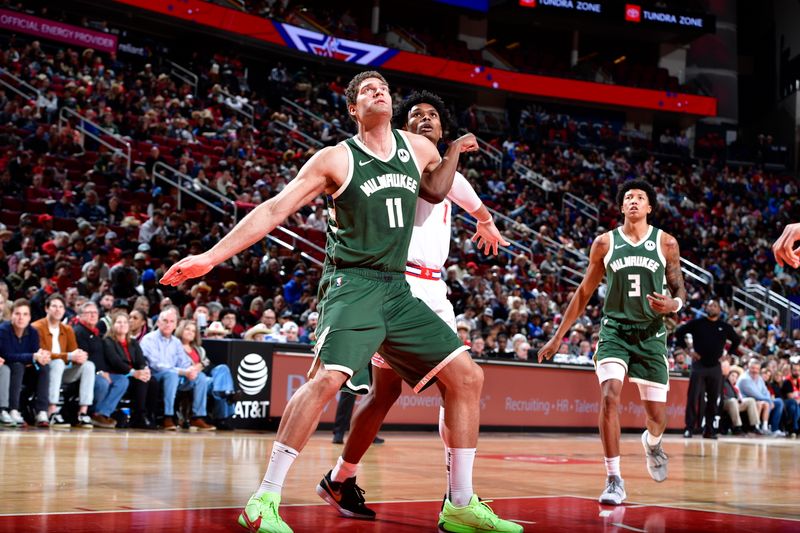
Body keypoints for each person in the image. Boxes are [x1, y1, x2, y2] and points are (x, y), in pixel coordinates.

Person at [161, 71, 519, 533]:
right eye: (368, 91)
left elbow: (440, 189)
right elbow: (274, 208)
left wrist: (465, 177)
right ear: (353, 109)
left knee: (468, 377)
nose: (379, 93)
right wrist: (210, 258)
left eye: (384, 89)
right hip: (352, 282)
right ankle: (263, 499)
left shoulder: (420, 149)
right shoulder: (336, 158)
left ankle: (461, 504)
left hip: (399, 288)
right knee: (328, 378)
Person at [316, 89, 506, 519]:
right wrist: (457, 150)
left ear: (442, 128)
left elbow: (473, 202)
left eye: (433, 115)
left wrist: (487, 222)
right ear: (403, 128)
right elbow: (440, 192)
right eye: (416, 115)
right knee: (455, 383)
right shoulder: (407, 165)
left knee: (389, 394)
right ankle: (458, 497)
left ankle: (342, 479)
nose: (424, 119)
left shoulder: (448, 171)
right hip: (399, 286)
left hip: (435, 289)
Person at [538, 179, 687, 505]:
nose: (634, 201)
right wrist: (557, 336)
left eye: (640, 197)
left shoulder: (666, 243)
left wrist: (673, 306)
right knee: (609, 396)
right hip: (615, 332)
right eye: (628, 197)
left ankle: (652, 442)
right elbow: (584, 293)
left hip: (651, 335)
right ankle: (614, 478)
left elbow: (680, 290)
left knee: (657, 416)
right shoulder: (605, 243)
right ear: (621, 207)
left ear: (649, 207)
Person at [140, 307, 215, 431]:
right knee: (171, 375)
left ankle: (197, 417)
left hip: (177, 376)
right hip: (155, 376)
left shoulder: (176, 342)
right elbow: (156, 365)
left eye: (171, 321)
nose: (168, 324)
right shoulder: (149, 339)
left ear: (175, 325)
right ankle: (167, 416)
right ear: (158, 323)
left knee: (200, 377)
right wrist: (182, 371)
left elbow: (184, 363)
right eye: (165, 320)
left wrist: (190, 370)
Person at [674, 299, 741, 439]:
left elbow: (736, 340)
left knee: (712, 399)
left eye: (714, 305)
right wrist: (688, 351)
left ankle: (709, 430)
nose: (711, 307)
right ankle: (689, 428)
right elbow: (679, 332)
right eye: (709, 305)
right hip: (699, 365)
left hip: (715, 367)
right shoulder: (698, 323)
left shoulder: (724, 326)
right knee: (693, 397)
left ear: (719, 310)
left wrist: (728, 355)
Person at [32, 294, 94, 429]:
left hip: (63, 371)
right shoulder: (37, 327)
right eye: (54, 306)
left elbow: (73, 352)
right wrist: (69, 356)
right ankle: (51, 410)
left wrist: (80, 356)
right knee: (58, 363)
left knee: (89, 366)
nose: (57, 310)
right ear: (46, 309)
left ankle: (83, 413)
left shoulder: (67, 329)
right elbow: (43, 354)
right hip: (42, 370)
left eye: (61, 307)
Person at [176, 319, 236, 429]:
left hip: (202, 375)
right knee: (214, 383)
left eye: (193, 331)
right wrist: (196, 367)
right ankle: (224, 408)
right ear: (181, 330)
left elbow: (206, 362)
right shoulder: (175, 346)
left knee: (223, 368)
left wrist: (200, 365)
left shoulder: (199, 349)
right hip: (187, 377)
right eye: (187, 329)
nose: (190, 332)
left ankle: (225, 392)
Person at [0, 299, 51, 427]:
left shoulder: (33, 332)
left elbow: (35, 353)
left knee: (44, 367)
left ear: (29, 317)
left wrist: (41, 357)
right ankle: (13, 409)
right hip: (11, 367)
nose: (21, 318)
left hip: (26, 370)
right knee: (17, 366)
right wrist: (33, 356)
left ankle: (42, 411)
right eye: (17, 314)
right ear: (11, 315)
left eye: (25, 314)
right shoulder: (4, 330)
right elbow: (7, 355)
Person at [103, 311, 155, 429]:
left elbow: (141, 361)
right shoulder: (108, 341)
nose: (122, 325)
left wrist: (144, 370)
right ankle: (139, 416)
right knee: (141, 382)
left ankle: (150, 415)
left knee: (152, 381)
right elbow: (115, 362)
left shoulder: (133, 342)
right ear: (113, 325)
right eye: (119, 322)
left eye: (125, 322)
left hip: (134, 374)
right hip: (118, 374)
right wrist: (134, 372)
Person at [737, 358, 784, 435]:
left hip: (759, 399)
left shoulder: (759, 378)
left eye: (757, 368)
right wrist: (769, 400)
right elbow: (756, 394)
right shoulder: (744, 379)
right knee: (763, 403)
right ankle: (757, 427)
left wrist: (769, 399)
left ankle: (770, 428)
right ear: (748, 367)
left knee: (779, 402)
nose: (755, 370)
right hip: (746, 400)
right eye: (752, 368)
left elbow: (765, 391)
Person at [720, 365, 758, 435]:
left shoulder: (735, 388)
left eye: (736, 377)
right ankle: (737, 427)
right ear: (728, 375)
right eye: (732, 376)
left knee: (751, 400)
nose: (734, 378)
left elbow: (739, 398)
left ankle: (753, 426)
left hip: (734, 404)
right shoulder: (722, 382)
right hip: (725, 403)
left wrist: (740, 400)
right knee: (733, 401)